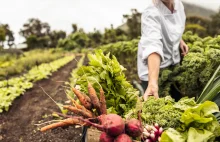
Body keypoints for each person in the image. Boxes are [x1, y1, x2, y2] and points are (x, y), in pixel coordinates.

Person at [137, 0, 189, 101]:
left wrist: (180, 40)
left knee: (176, 99)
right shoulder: (151, 12)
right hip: (153, 70)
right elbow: (153, 45)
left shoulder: (178, 4)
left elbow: (174, 27)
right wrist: (152, 83)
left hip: (173, 64)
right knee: (158, 108)